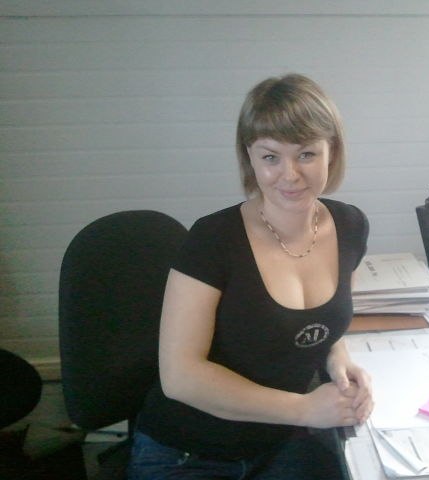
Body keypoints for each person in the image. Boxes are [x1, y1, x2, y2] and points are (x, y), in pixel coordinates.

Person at [128, 73, 373, 479]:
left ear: (332, 151)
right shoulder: (213, 239)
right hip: (188, 451)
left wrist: (339, 361)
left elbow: (325, 321)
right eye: (271, 157)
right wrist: (304, 408)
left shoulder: (350, 226)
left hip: (278, 442)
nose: (290, 174)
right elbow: (180, 377)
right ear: (250, 158)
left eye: (306, 154)